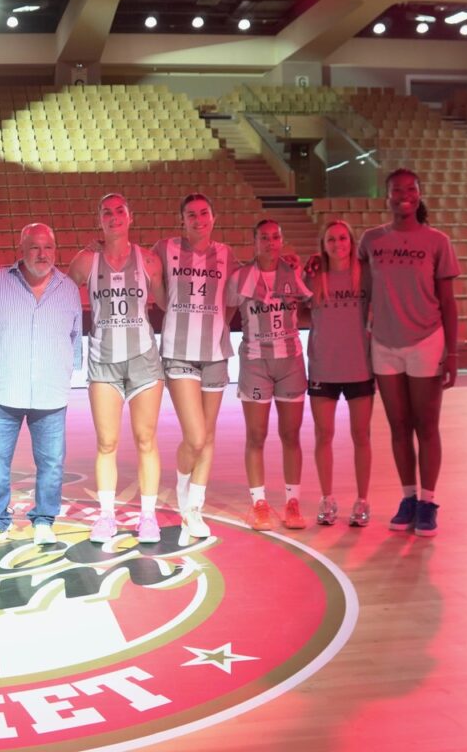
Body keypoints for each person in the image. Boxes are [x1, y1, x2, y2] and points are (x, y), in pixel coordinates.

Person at [0, 223, 83, 548]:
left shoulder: (69, 289)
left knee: (51, 462)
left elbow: (75, 336)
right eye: (34, 247)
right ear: (21, 250)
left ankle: (44, 519)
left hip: (49, 393)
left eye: (48, 247)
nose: (42, 254)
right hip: (3, 389)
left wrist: (66, 373)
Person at [359, 168, 459, 537]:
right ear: (385, 196)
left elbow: (448, 303)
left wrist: (453, 354)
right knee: (398, 426)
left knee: (426, 425)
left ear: (419, 194)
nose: (404, 194)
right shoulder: (370, 241)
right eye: (397, 190)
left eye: (411, 189)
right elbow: (358, 288)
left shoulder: (438, 241)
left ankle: (429, 502)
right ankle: (409, 498)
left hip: (426, 342)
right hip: (384, 343)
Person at [67, 194, 166, 543]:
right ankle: (107, 516)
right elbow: (63, 297)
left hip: (143, 360)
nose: (113, 217)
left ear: (130, 216)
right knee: (106, 443)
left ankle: (148, 518)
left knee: (145, 439)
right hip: (103, 361)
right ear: (99, 220)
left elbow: (169, 302)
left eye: (119, 211)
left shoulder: (149, 260)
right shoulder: (85, 261)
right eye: (106, 212)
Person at [152, 193, 238, 542]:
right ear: (182, 220)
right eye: (191, 215)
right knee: (196, 436)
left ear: (213, 217)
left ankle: (194, 507)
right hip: (179, 351)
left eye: (204, 213)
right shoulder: (165, 248)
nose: (198, 219)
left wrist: (217, 324)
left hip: (215, 351)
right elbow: (159, 295)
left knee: (209, 434)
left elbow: (229, 302)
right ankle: (182, 486)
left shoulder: (227, 253)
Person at [226, 219, 312, 531]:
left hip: (290, 361)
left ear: (281, 240)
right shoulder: (241, 277)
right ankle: (259, 503)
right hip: (255, 362)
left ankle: (293, 501)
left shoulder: (293, 273)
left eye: (275, 237)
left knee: (291, 435)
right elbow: (224, 311)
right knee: (257, 435)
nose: (270, 243)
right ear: (254, 241)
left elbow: (312, 302)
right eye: (264, 237)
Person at [304, 220, 374, 528]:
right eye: (331, 239)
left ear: (351, 241)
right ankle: (327, 498)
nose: (337, 243)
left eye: (343, 238)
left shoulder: (366, 274)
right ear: (324, 244)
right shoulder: (314, 275)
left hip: (359, 365)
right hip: (323, 367)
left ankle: (362, 500)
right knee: (324, 435)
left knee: (361, 435)